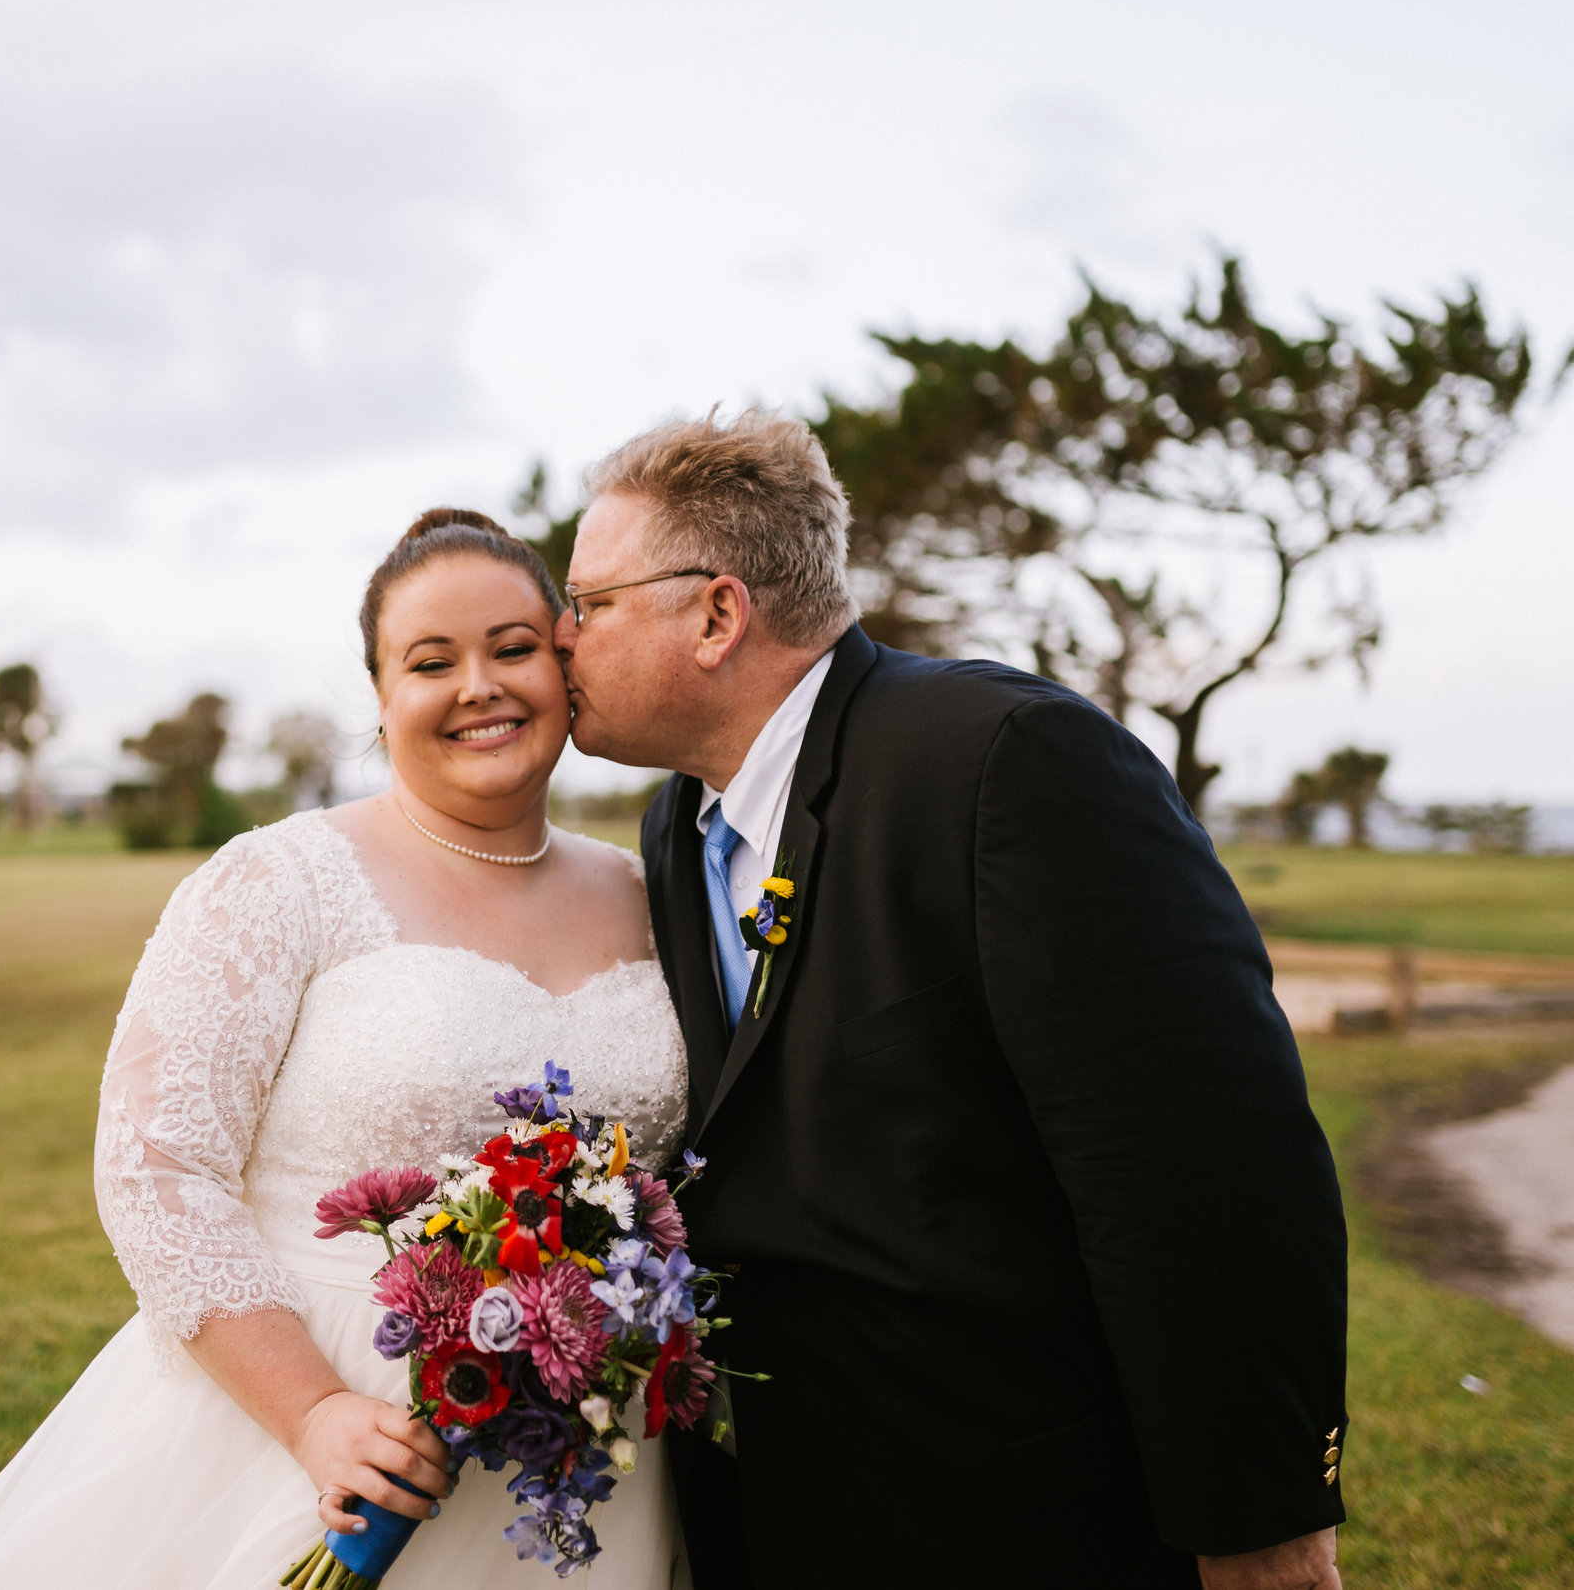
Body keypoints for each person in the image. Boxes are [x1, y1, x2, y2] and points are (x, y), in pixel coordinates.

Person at [558, 412, 1350, 1590]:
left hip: (1020, 1512)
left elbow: (1207, 1171)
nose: (556, 637)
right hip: (776, 1508)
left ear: (716, 614)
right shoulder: (678, 822)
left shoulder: (1008, 761)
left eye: (588, 603)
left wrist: (1262, 1523)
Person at [0, 509, 692, 1589]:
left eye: (512, 648)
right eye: (429, 661)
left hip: (580, 1463)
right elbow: (155, 1163)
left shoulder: (652, 889)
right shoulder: (279, 879)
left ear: (563, 661)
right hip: (305, 1430)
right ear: (379, 695)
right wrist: (315, 1414)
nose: (478, 685)